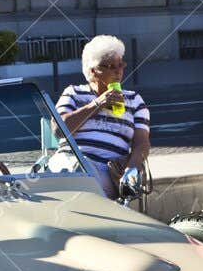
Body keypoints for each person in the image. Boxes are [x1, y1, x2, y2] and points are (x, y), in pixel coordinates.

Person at [54, 35, 150, 197]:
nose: (118, 71)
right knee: (80, 171)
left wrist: (131, 169)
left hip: (107, 169)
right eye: (111, 66)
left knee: (89, 181)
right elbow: (58, 130)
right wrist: (97, 104)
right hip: (72, 161)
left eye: (121, 65)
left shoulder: (134, 100)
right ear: (93, 71)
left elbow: (142, 143)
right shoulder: (74, 93)